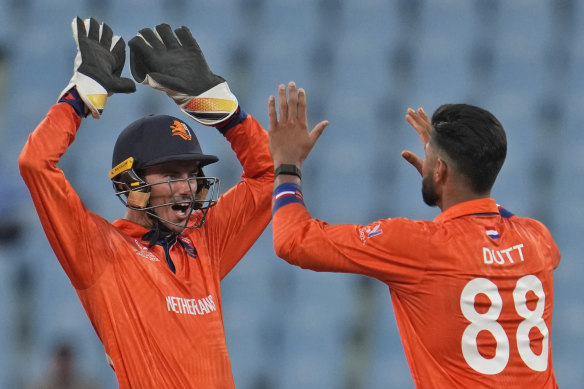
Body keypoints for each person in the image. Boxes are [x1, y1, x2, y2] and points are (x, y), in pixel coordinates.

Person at [19, 17, 273, 388]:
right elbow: (35, 163)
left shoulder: (206, 243)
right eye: (170, 174)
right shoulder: (101, 252)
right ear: (130, 182)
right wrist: (78, 97)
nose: (186, 188)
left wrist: (223, 109)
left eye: (192, 174)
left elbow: (270, 175)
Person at [268, 82, 560, 388]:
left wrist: (287, 164)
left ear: (440, 170)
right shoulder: (536, 238)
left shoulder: (416, 244)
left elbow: (293, 241)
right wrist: (448, 191)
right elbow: (505, 233)